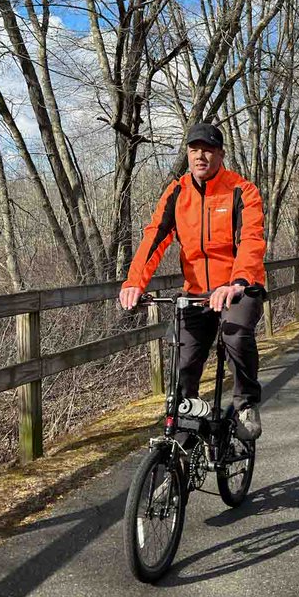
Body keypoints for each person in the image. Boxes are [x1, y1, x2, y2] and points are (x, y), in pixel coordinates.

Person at [119, 122, 267, 440]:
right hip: (197, 293)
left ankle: (245, 404)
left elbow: (251, 240)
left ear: (220, 154)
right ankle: (179, 453)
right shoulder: (177, 193)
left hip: (239, 288)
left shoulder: (242, 191)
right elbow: (154, 238)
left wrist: (238, 281)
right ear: (188, 153)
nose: (201, 156)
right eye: (194, 150)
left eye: (208, 150)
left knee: (235, 336)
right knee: (182, 362)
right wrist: (134, 282)